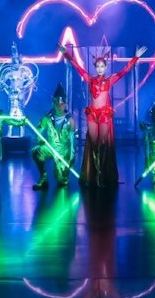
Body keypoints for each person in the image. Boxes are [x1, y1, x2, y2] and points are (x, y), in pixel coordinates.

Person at [58, 42, 147, 189]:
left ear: (105, 67)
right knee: (94, 145)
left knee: (103, 144)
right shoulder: (90, 79)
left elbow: (125, 71)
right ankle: (97, 174)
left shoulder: (109, 80)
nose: (99, 69)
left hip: (105, 114)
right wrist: (65, 53)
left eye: (102, 66)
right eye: (97, 66)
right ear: (95, 67)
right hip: (93, 114)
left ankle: (102, 174)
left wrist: (135, 58)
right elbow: (77, 66)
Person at [30, 83, 76, 190]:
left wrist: (71, 157)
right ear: (53, 103)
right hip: (50, 148)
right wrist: (39, 138)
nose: (60, 106)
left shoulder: (70, 120)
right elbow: (38, 131)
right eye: (57, 103)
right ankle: (44, 178)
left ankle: (63, 174)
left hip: (63, 152)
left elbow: (73, 142)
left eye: (62, 104)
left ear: (65, 104)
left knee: (62, 182)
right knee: (36, 151)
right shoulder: (47, 118)